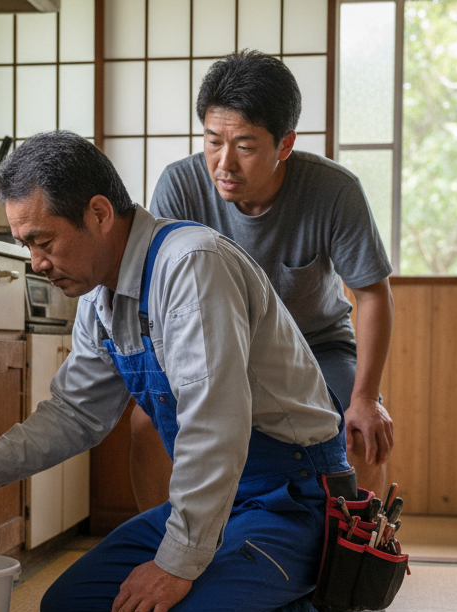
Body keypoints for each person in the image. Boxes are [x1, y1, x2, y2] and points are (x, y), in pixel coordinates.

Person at [0, 131, 378, 612]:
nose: (37, 262)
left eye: (43, 241)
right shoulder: (99, 295)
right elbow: (75, 413)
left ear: (98, 213)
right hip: (225, 497)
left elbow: (214, 429)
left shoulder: (191, 266)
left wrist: (175, 565)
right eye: (26, 245)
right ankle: (245, 590)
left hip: (291, 500)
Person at [131, 50, 396, 514]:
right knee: (145, 425)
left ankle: (357, 552)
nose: (224, 163)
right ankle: (162, 546)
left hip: (316, 346)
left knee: (360, 432)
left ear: (284, 144)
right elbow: (159, 296)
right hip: (212, 347)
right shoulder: (180, 186)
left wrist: (365, 399)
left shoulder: (334, 190)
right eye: (213, 141)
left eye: (245, 147)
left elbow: (372, 294)